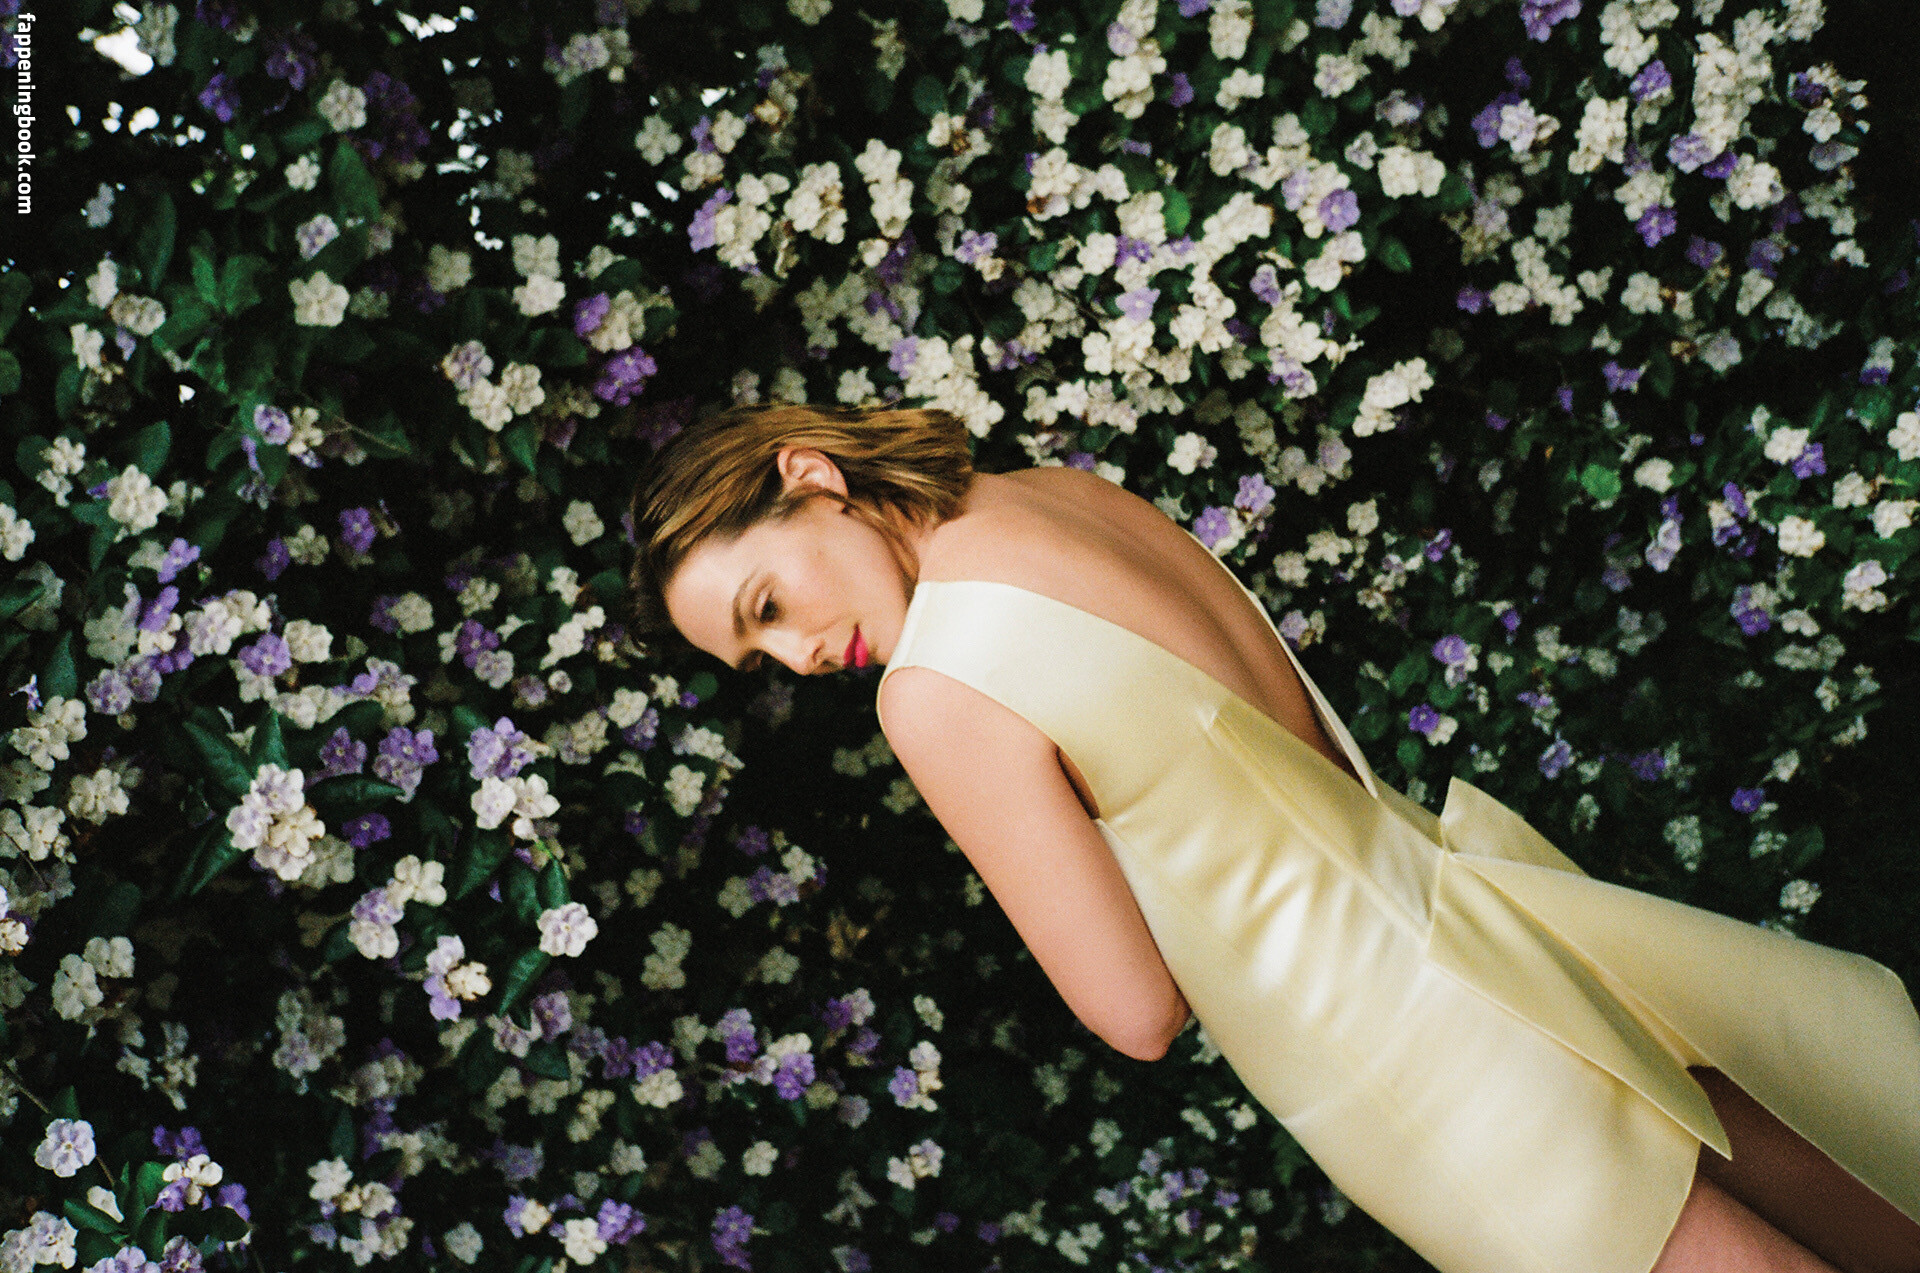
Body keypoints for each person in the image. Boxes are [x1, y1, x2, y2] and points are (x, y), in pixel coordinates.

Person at [627, 402, 1920, 1273]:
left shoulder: (934, 693)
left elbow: (1137, 1009)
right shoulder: (1066, 496)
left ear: (813, 476)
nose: (800, 655)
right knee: (1865, 1203)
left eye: (768, 604)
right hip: (1497, 924)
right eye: (760, 656)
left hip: (1413, 1060)